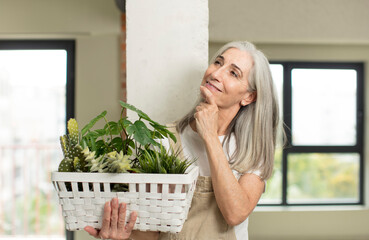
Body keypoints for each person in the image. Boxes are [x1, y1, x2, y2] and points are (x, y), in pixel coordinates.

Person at [84, 41, 280, 240]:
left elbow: (235, 213)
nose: (216, 73)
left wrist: (210, 136)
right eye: (218, 63)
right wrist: (124, 234)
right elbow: (153, 232)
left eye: (233, 73)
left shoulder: (252, 150)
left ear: (248, 96)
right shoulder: (165, 140)